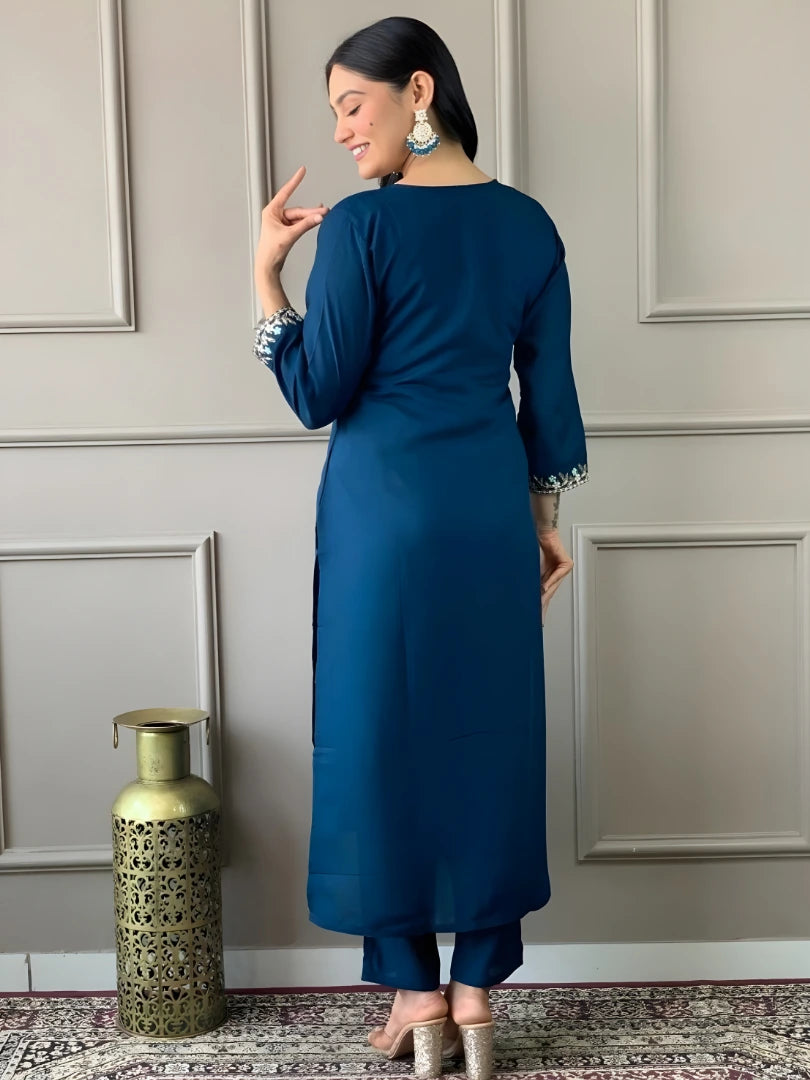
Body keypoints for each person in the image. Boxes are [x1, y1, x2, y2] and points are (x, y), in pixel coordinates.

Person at [252, 16, 588, 1080]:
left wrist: (267, 278)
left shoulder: (358, 230)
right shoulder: (531, 228)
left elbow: (316, 389)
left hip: (380, 523)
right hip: (486, 511)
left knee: (376, 739)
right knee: (491, 738)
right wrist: (541, 517)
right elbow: (552, 394)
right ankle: (476, 993)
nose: (344, 132)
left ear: (418, 92)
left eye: (354, 105)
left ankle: (414, 990)